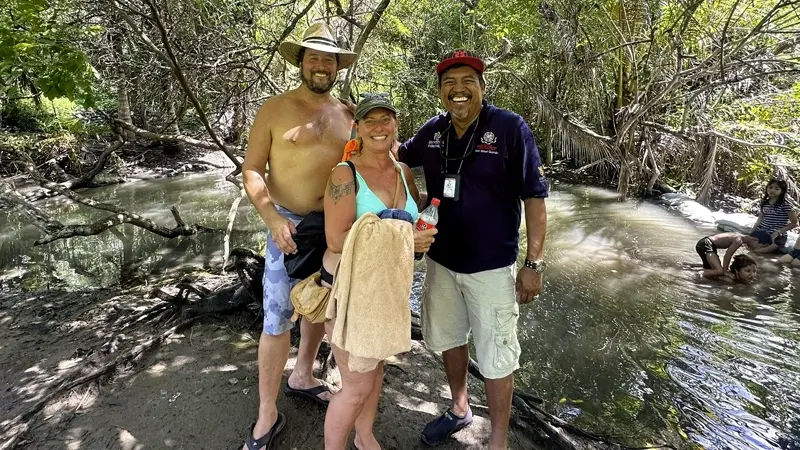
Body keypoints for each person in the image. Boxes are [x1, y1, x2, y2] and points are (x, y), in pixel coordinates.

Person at [397, 50, 549, 450]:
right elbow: (390, 157)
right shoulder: (432, 132)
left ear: (482, 87)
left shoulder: (510, 128)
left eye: (467, 81)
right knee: (449, 338)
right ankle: (460, 407)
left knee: (498, 355)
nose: (458, 89)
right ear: (441, 92)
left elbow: (534, 197)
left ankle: (497, 440)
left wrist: (533, 262)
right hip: (441, 262)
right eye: (449, 83)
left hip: (492, 267)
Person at [240, 23, 357, 450]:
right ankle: (267, 414)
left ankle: (303, 374)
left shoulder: (348, 114)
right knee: (276, 320)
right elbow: (251, 170)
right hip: (286, 225)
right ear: (300, 62)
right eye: (314, 57)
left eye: (329, 58)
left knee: (319, 305)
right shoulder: (273, 109)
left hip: (333, 227)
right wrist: (271, 217)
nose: (321, 64)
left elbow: (364, 170)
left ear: (338, 66)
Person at [322, 94, 437, 450]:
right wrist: (403, 237)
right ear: (356, 127)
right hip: (348, 290)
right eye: (369, 121)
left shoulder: (403, 171)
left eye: (385, 119)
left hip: (386, 289)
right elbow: (337, 239)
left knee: (375, 370)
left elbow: (415, 219)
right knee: (355, 387)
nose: (378, 128)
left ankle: (365, 436)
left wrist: (420, 232)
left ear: (396, 125)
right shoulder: (345, 174)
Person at [747, 178, 798, 254]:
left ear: (782, 191)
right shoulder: (764, 202)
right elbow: (760, 218)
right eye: (770, 187)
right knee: (747, 245)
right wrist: (752, 231)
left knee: (760, 251)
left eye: (777, 189)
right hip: (762, 231)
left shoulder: (786, 205)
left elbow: (795, 223)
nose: (772, 190)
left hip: (777, 235)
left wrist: (779, 231)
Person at [695, 232, 759, 279]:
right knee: (720, 271)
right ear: (755, 240)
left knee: (712, 269)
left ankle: (689, 265)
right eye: (758, 245)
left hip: (706, 243)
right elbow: (727, 255)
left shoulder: (739, 236)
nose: (756, 248)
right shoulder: (739, 240)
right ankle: (700, 273)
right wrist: (725, 271)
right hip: (706, 244)